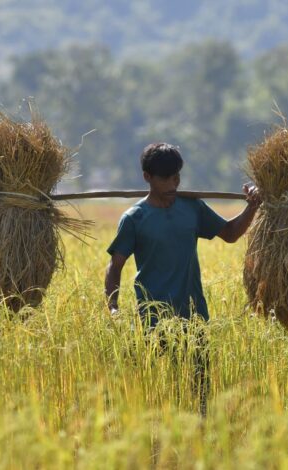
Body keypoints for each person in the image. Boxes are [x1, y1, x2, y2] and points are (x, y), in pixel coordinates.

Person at [104, 142, 261, 414]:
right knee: (156, 394)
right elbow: (115, 265)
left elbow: (230, 233)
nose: (173, 183)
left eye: (176, 176)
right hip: (151, 321)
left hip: (194, 316)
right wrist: (114, 307)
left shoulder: (192, 208)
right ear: (147, 178)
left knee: (199, 393)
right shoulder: (134, 218)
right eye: (165, 178)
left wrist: (252, 207)